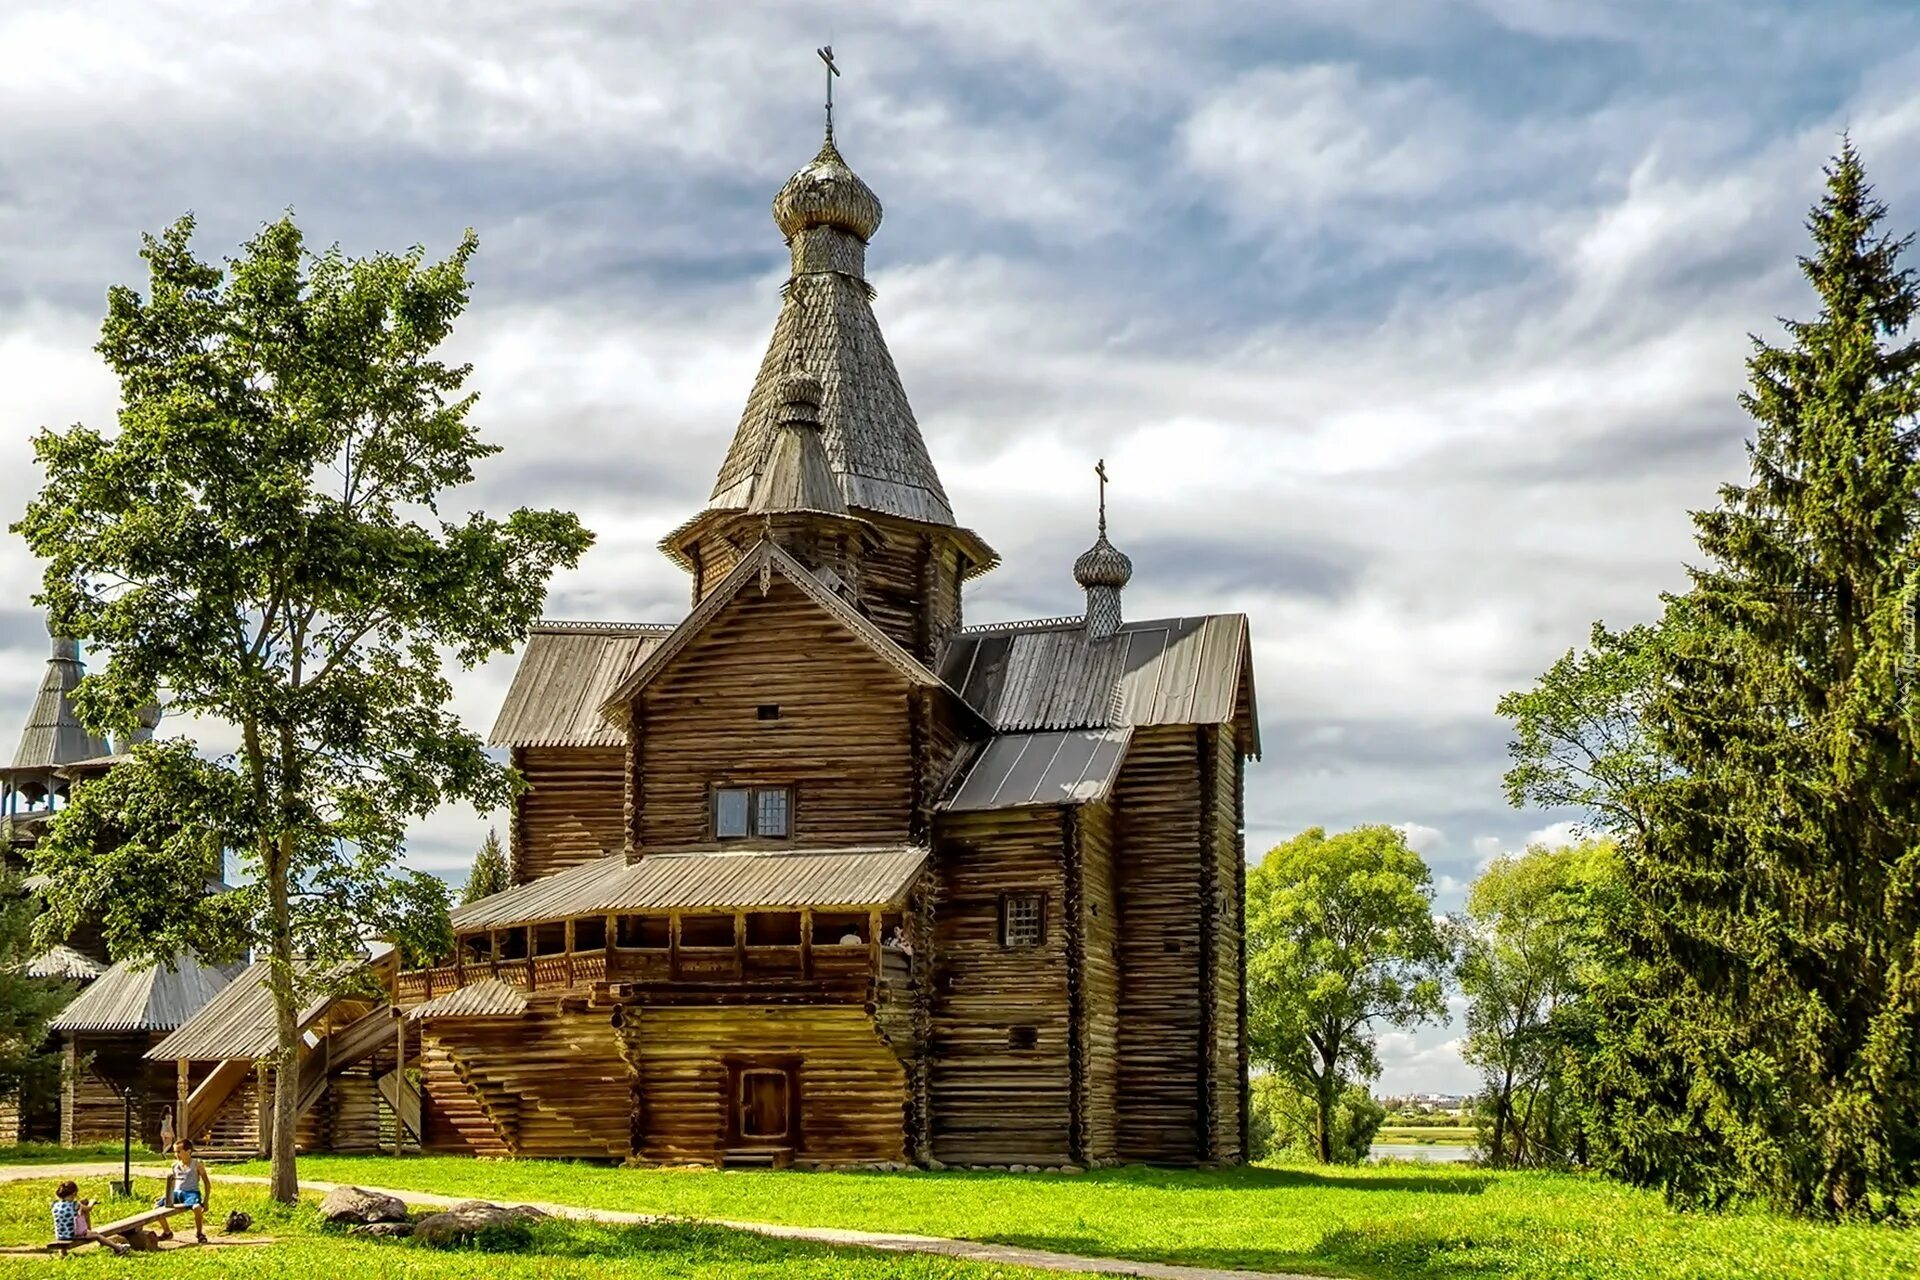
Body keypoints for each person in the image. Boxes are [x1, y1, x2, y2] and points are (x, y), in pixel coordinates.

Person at [51, 1181, 130, 1255]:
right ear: (74, 1193)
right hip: (72, 1235)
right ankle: (118, 1248)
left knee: (66, 1225)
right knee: (97, 1235)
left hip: (60, 1235)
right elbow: (88, 1208)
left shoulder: (55, 1204)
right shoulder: (74, 1204)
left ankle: (63, 1254)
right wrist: (92, 1202)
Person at [159, 1138, 210, 1243]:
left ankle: (199, 1233)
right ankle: (167, 1232)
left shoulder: (197, 1164)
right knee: (156, 1207)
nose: (176, 1154)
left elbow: (207, 1183)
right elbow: (172, 1183)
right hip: (177, 1193)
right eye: (175, 1152)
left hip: (191, 1193)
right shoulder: (175, 1165)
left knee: (196, 1207)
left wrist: (206, 1201)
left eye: (179, 1151)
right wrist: (166, 1196)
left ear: (188, 1151)